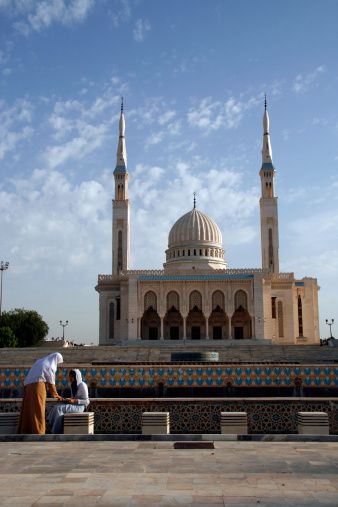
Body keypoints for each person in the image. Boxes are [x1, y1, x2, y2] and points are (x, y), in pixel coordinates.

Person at [18, 352, 64, 435]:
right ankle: (39, 432)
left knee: (29, 410)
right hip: (37, 387)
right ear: (55, 360)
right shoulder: (50, 365)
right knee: (38, 410)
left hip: (28, 387)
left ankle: (26, 431)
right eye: (58, 362)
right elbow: (51, 382)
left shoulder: (40, 361)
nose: (57, 364)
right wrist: (56, 395)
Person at [48, 369, 89, 434]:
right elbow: (73, 398)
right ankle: (53, 427)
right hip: (74, 405)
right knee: (55, 407)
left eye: (71, 377)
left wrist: (74, 401)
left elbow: (87, 401)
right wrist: (65, 399)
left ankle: (55, 430)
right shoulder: (73, 385)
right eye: (69, 377)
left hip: (80, 407)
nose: (69, 378)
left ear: (76, 377)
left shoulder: (82, 385)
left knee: (59, 408)